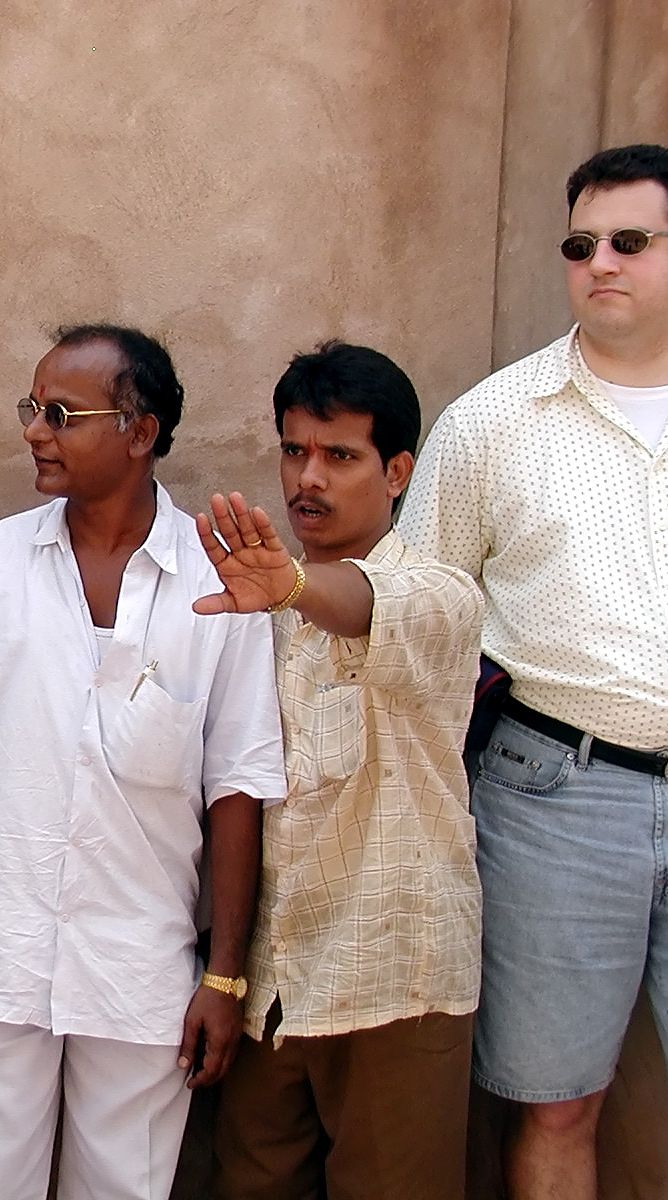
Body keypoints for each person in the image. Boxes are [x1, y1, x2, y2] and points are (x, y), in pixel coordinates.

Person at [0, 324, 286, 1200]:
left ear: (138, 432)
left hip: (140, 968)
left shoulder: (218, 590)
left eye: (61, 414)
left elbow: (238, 793)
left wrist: (224, 974)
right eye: (33, 408)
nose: (35, 429)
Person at [398, 143, 668, 1200]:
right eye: (580, 245)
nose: (600, 264)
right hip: (556, 795)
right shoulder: (492, 424)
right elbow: (418, 610)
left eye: (631, 241)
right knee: (555, 1102)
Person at [194, 342, 483, 1199]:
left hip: (395, 975)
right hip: (271, 989)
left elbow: (364, 607)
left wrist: (290, 587)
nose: (307, 478)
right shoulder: (257, 605)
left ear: (397, 471)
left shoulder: (439, 593)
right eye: (293, 450)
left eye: (339, 456)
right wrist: (225, 969)